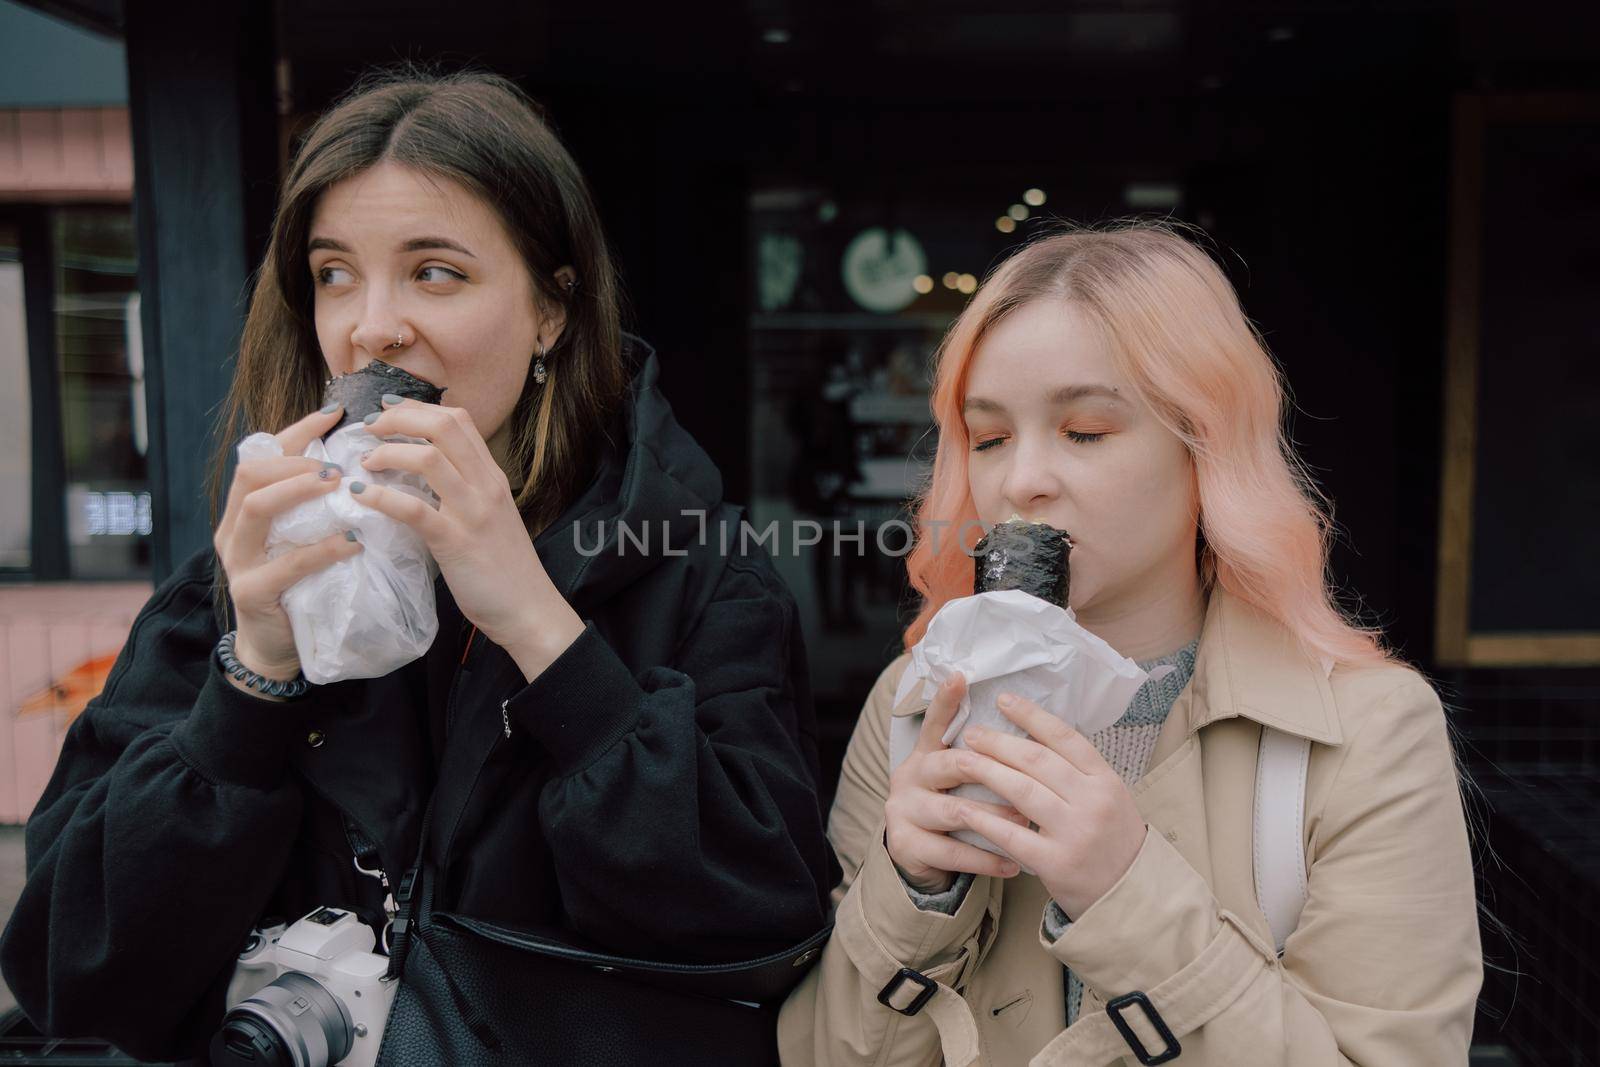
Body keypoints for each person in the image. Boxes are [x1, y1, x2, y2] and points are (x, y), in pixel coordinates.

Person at [0, 68, 832, 1061]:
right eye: (335, 273)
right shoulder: (231, 587)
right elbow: (71, 975)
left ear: (553, 313)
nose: (372, 324)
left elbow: (763, 928)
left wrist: (538, 625)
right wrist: (253, 679)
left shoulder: (698, 576)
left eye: (435, 272)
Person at [779, 223, 1483, 1065]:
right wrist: (913, 896)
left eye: (1085, 431)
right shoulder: (913, 706)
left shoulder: (1369, 733)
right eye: (989, 437)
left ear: (1205, 446)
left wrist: (1126, 891)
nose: (1020, 479)